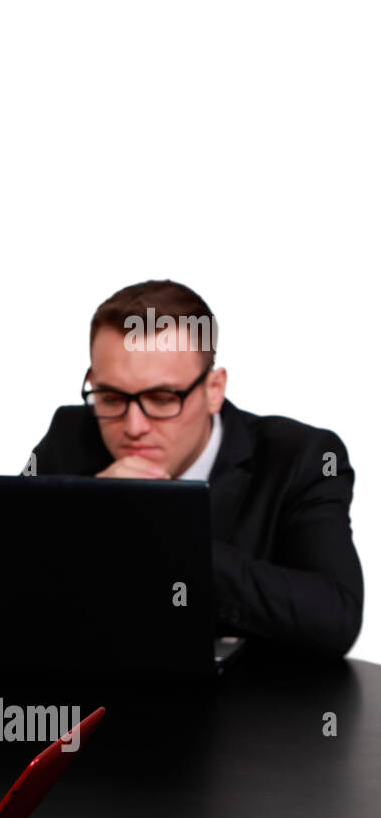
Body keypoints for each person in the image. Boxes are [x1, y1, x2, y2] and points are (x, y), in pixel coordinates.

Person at [27, 278, 363, 658]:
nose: (134, 426)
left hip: (248, 707)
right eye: (111, 396)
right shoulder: (69, 437)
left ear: (213, 390)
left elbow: (335, 617)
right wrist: (90, 512)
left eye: (162, 397)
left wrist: (166, 537)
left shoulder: (301, 458)